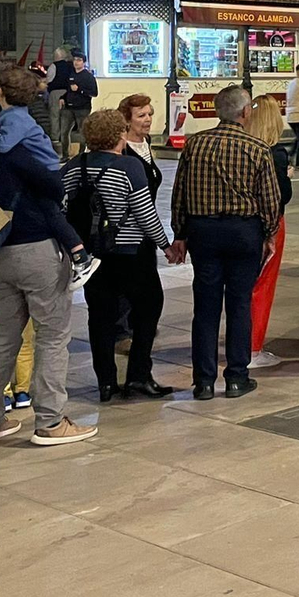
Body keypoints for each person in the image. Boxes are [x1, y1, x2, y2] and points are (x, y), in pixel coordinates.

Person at [0, 91, 96, 445]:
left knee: (3, 337)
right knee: (53, 335)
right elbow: (52, 184)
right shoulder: (5, 150)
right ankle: (51, 422)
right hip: (34, 247)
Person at [168, 83, 280, 400]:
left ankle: (203, 381)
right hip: (243, 232)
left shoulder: (195, 144)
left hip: (203, 231)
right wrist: (269, 234)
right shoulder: (257, 148)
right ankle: (236, 376)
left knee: (205, 306)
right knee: (239, 303)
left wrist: (180, 233)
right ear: (245, 112)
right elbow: (269, 200)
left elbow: (180, 194)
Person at [63, 109, 172, 400]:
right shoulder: (129, 167)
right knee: (149, 308)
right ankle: (138, 374)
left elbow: (62, 207)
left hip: (93, 255)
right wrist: (166, 244)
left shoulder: (75, 166)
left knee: (100, 316)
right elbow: (145, 214)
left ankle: (106, 383)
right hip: (131, 252)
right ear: (120, 134)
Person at [0, 68, 99, 288]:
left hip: (45, 171)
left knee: (51, 213)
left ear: (2, 93)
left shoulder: (15, 118)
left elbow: (2, 144)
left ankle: (80, 257)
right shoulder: (13, 116)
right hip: (40, 171)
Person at [112, 93, 174, 397]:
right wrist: (165, 241)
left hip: (145, 229)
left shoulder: (145, 145)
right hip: (129, 232)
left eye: (149, 114)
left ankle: (136, 329)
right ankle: (122, 333)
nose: (148, 120)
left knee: (145, 289)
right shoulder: (122, 151)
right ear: (126, 119)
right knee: (134, 288)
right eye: (141, 116)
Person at [243, 96, 293, 368]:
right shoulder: (275, 153)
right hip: (271, 225)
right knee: (263, 286)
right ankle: (253, 347)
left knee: (243, 285)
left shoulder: (242, 148)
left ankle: (242, 343)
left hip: (243, 224)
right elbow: (282, 196)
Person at [48, 50, 97, 158]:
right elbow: (68, 90)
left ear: (83, 62)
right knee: (64, 132)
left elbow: (94, 93)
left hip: (82, 108)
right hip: (68, 107)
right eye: (74, 60)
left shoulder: (88, 77)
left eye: (79, 60)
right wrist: (62, 98)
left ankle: (81, 155)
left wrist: (79, 90)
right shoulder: (71, 74)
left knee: (82, 132)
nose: (76, 62)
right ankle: (65, 155)